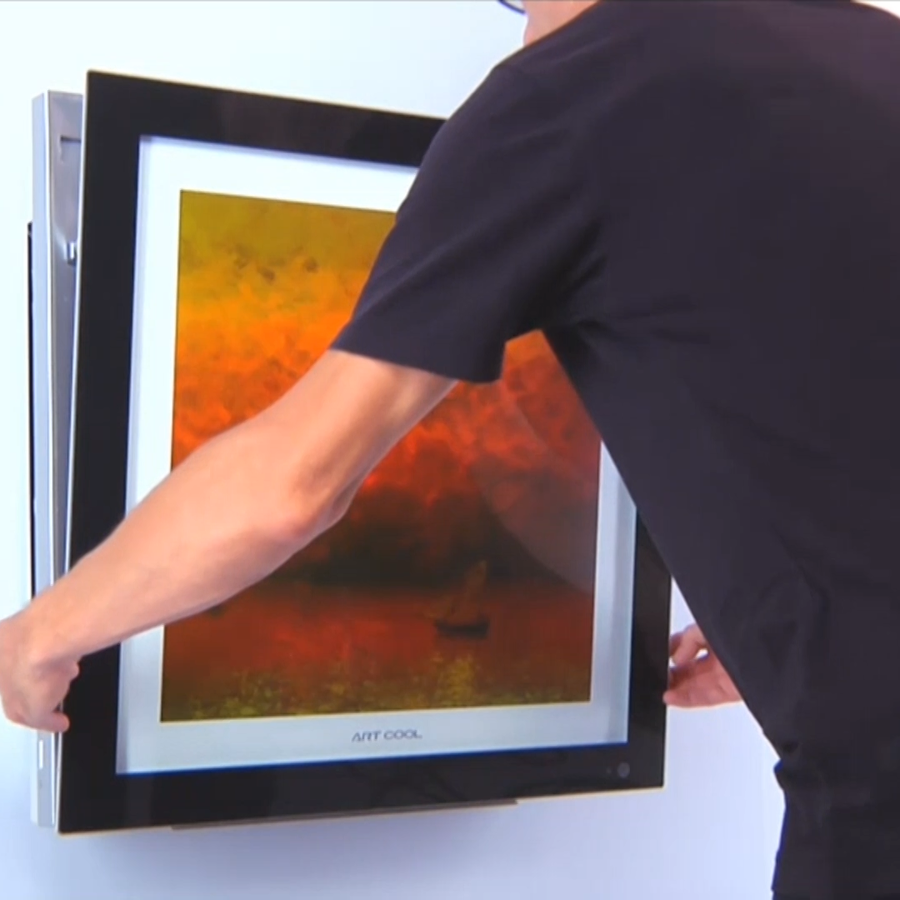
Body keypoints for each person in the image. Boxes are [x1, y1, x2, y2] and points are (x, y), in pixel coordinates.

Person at [1, 0, 898, 894]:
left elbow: (291, 484)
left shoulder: (566, 94)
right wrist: (815, 604)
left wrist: (42, 634)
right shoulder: (868, 45)